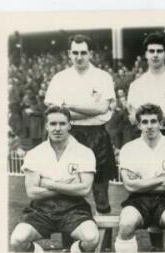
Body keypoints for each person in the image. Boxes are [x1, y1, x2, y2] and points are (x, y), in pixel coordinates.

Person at [10, 106, 99, 253]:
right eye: (53, 124)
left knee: (91, 238)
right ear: (46, 126)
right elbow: (32, 192)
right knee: (17, 240)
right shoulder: (35, 153)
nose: (57, 128)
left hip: (74, 208)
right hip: (41, 209)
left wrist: (49, 184)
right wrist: (68, 187)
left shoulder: (84, 152)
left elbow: (85, 190)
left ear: (70, 125)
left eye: (62, 124)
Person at [45, 34, 116, 214]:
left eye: (83, 52)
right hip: (69, 136)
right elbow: (55, 112)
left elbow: (102, 108)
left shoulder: (103, 77)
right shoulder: (60, 78)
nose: (79, 57)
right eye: (75, 52)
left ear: (91, 54)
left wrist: (68, 107)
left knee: (101, 194)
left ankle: (105, 243)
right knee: (68, 192)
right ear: (69, 54)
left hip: (97, 135)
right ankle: (71, 242)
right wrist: (88, 109)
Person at [114, 104, 165, 252]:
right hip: (138, 200)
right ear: (139, 125)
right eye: (145, 122)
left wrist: (141, 182)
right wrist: (161, 178)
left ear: (161, 123)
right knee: (126, 223)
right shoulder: (129, 149)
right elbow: (130, 186)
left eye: (153, 121)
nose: (149, 126)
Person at [127, 32, 165, 148]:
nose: (155, 55)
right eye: (151, 51)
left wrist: (145, 118)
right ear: (146, 54)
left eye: (159, 51)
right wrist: (162, 116)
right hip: (145, 139)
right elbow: (133, 119)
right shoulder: (136, 85)